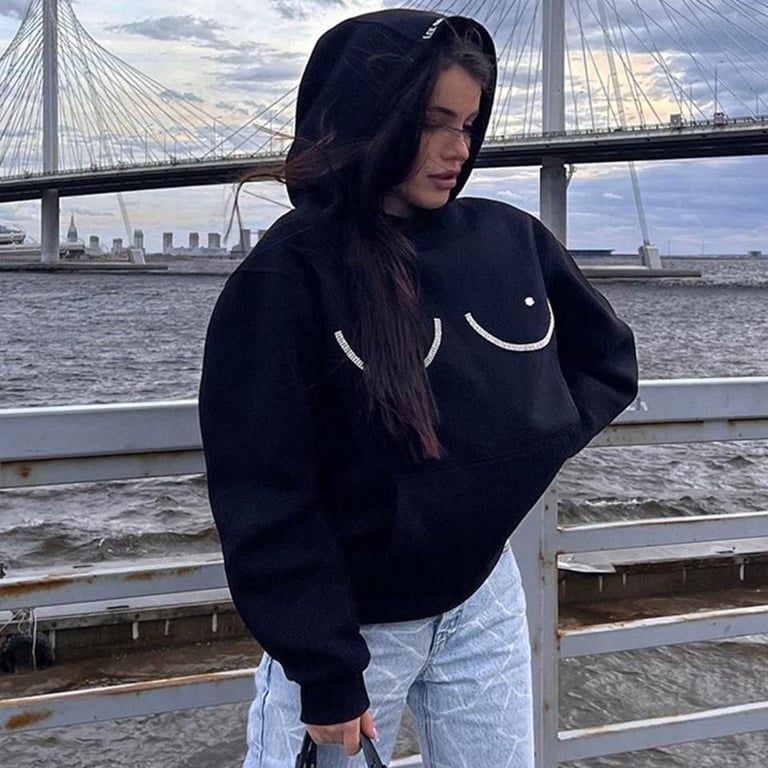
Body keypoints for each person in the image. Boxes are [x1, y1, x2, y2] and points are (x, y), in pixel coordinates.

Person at [199, 8, 638, 768]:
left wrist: (520, 451)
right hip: (353, 628)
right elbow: (263, 490)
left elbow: (608, 361)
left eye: (468, 125)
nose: (457, 149)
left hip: (485, 599)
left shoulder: (509, 238)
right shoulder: (288, 272)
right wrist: (324, 669)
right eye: (434, 122)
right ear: (371, 115)